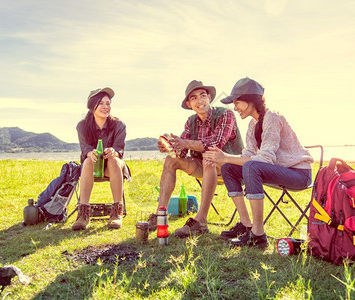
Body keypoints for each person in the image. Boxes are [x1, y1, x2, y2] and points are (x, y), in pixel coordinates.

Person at [203, 77, 313, 248]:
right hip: (277, 171)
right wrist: (224, 159)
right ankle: (246, 225)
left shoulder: (273, 117)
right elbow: (248, 154)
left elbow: (265, 159)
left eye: (237, 102)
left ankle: (259, 234)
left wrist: (225, 156)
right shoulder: (253, 125)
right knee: (229, 168)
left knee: (250, 166)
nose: (235, 107)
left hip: (298, 174)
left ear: (250, 100)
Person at [148, 80, 244, 238]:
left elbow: (215, 144)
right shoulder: (191, 121)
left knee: (209, 156)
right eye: (194, 98)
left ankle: (201, 221)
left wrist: (184, 142)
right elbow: (182, 153)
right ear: (189, 104)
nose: (199, 101)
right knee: (170, 160)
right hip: (205, 167)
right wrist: (171, 147)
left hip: (231, 165)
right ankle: (161, 214)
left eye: (203, 96)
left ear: (209, 97)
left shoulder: (225, 114)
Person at [72, 87, 131, 231]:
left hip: (113, 168)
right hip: (91, 168)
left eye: (108, 103)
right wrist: (90, 153)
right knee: (87, 160)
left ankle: (117, 212)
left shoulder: (119, 125)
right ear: (92, 106)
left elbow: (119, 149)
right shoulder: (82, 126)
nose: (106, 107)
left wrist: (113, 152)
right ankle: (83, 213)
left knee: (114, 160)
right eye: (101, 103)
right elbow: (84, 148)